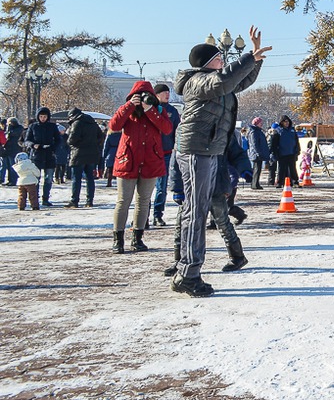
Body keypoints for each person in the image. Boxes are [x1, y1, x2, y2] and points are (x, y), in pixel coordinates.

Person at [172, 26, 268, 297]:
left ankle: (187, 270)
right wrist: (248, 56)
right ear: (205, 63)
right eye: (218, 58)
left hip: (210, 149)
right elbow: (225, 80)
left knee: (200, 209)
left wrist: (256, 58)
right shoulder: (198, 80)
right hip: (196, 150)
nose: (222, 61)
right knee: (196, 211)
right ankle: (188, 273)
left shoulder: (217, 83)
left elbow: (240, 81)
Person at [164, 132, 252, 278]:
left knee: (222, 221)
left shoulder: (221, 130)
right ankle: (179, 260)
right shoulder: (186, 128)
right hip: (190, 186)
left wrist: (245, 169)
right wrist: (177, 187)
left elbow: (236, 153)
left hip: (216, 184)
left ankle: (237, 256)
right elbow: (176, 159)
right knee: (182, 223)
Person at [109, 81, 174, 254]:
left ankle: (137, 238)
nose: (143, 99)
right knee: (123, 201)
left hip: (150, 161)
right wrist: (130, 105)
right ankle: (118, 239)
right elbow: (114, 126)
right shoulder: (128, 110)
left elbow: (167, 129)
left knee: (143, 201)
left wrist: (149, 109)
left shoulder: (157, 111)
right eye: (139, 96)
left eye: (147, 96)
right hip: (127, 162)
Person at [151, 83, 181, 227]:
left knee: (162, 187)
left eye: (168, 92)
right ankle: (142, 215)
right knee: (146, 188)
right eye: (164, 92)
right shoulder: (150, 109)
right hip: (150, 154)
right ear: (156, 95)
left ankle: (158, 214)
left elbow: (177, 131)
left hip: (167, 153)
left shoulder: (172, 111)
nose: (167, 95)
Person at [65, 107, 105, 208]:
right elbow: (101, 136)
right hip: (92, 153)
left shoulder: (77, 123)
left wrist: (72, 144)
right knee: (90, 178)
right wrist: (94, 144)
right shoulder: (93, 123)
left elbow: (71, 140)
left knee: (76, 179)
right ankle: (89, 201)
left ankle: (74, 201)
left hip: (78, 154)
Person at [24, 107, 62, 207]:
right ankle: (34, 199)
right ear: (38, 117)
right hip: (37, 155)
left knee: (48, 178)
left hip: (50, 155)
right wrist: (33, 145)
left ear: (48, 117)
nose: (43, 118)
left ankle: (46, 198)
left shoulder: (52, 127)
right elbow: (26, 140)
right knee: (36, 179)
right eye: (41, 116)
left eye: (45, 116)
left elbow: (58, 140)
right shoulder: (33, 126)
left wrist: (54, 148)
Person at [275, 115, 300, 187]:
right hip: (282, 153)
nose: (287, 123)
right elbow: (275, 143)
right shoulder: (278, 131)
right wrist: (276, 152)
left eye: (288, 121)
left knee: (292, 168)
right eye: (285, 122)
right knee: (281, 169)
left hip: (291, 152)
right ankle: (280, 182)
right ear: (282, 122)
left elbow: (296, 141)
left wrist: (297, 150)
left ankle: (295, 181)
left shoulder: (292, 130)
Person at [246, 116, 269, 190]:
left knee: (258, 169)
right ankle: (255, 184)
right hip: (256, 154)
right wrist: (258, 152)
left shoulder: (257, 131)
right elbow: (254, 144)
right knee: (256, 169)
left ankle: (256, 183)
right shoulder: (254, 132)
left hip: (258, 153)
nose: (261, 124)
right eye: (260, 123)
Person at [2, 117, 24, 187]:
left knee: (13, 166)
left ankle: (14, 180)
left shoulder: (19, 128)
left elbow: (11, 134)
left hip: (15, 149)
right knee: (9, 166)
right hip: (8, 149)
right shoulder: (10, 129)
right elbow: (7, 136)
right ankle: (10, 180)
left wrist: (9, 129)